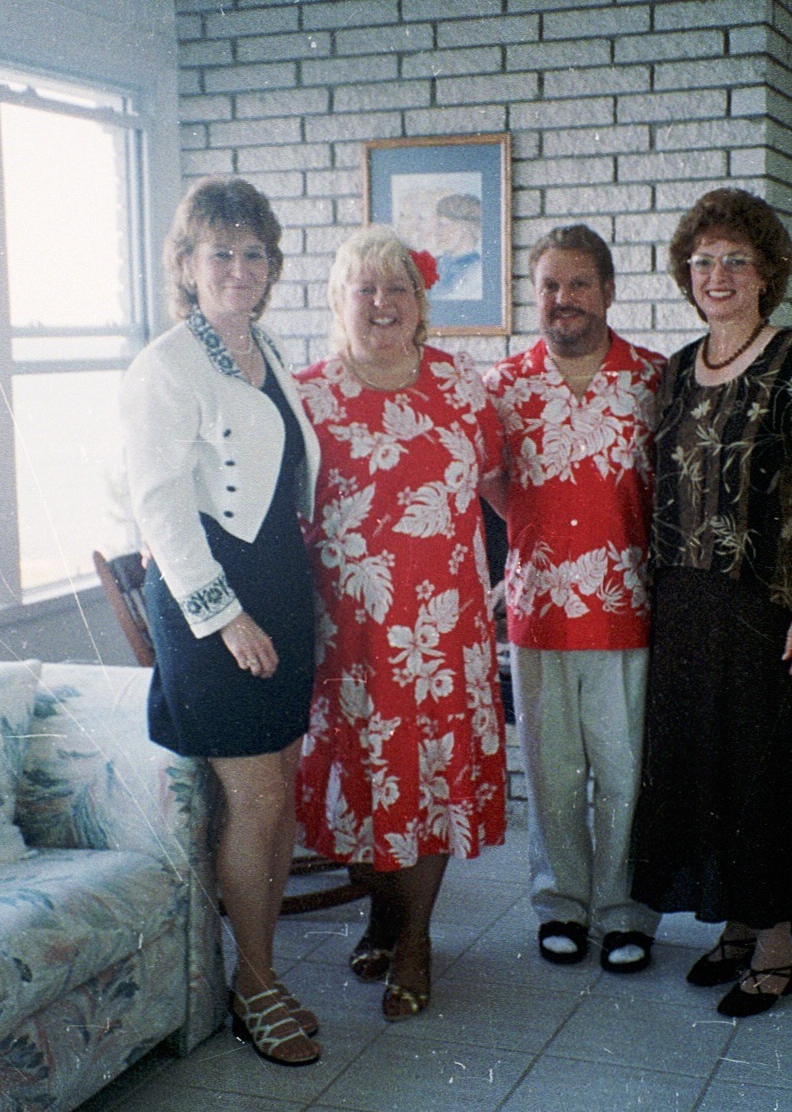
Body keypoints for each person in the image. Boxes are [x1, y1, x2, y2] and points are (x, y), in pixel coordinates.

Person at [630, 187, 792, 1018]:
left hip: (764, 605)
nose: (716, 275)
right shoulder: (674, 371)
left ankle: (775, 945)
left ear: (766, 274)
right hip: (684, 604)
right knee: (701, 771)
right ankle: (730, 923)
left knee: (765, 776)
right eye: (702, 262)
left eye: (734, 261)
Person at [120, 176, 322, 1066]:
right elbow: (156, 503)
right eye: (220, 253)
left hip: (276, 578)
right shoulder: (165, 364)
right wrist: (222, 615)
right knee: (258, 797)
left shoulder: (262, 347)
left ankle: (260, 970)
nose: (238, 268)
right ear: (187, 265)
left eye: (253, 254)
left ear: (270, 267)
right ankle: (254, 982)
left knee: (279, 787)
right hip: (216, 599)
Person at [295, 225, 507, 1022]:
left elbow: (495, 488)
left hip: (445, 633)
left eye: (398, 290)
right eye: (365, 289)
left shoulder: (460, 387)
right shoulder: (307, 396)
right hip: (347, 638)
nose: (382, 304)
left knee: (430, 782)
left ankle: (413, 937)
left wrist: (532, 565)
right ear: (339, 302)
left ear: (422, 305)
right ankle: (385, 912)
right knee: (366, 784)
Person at [482, 225, 666, 972]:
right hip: (541, 610)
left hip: (629, 607)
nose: (564, 300)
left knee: (624, 768)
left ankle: (626, 910)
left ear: (609, 291)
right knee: (552, 768)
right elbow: (495, 486)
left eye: (579, 283)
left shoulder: (656, 380)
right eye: (550, 286)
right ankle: (560, 904)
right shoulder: (503, 387)